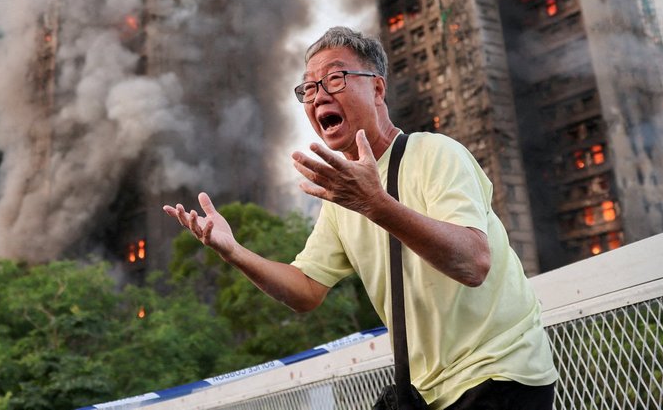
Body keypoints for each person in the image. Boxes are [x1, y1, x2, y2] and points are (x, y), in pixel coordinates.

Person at [164, 26, 557, 410]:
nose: (319, 95)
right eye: (309, 88)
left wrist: (375, 204)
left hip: (499, 374)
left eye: (335, 78)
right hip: (427, 392)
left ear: (378, 88)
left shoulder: (435, 153)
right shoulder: (341, 199)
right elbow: (305, 290)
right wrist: (234, 252)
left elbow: (473, 263)